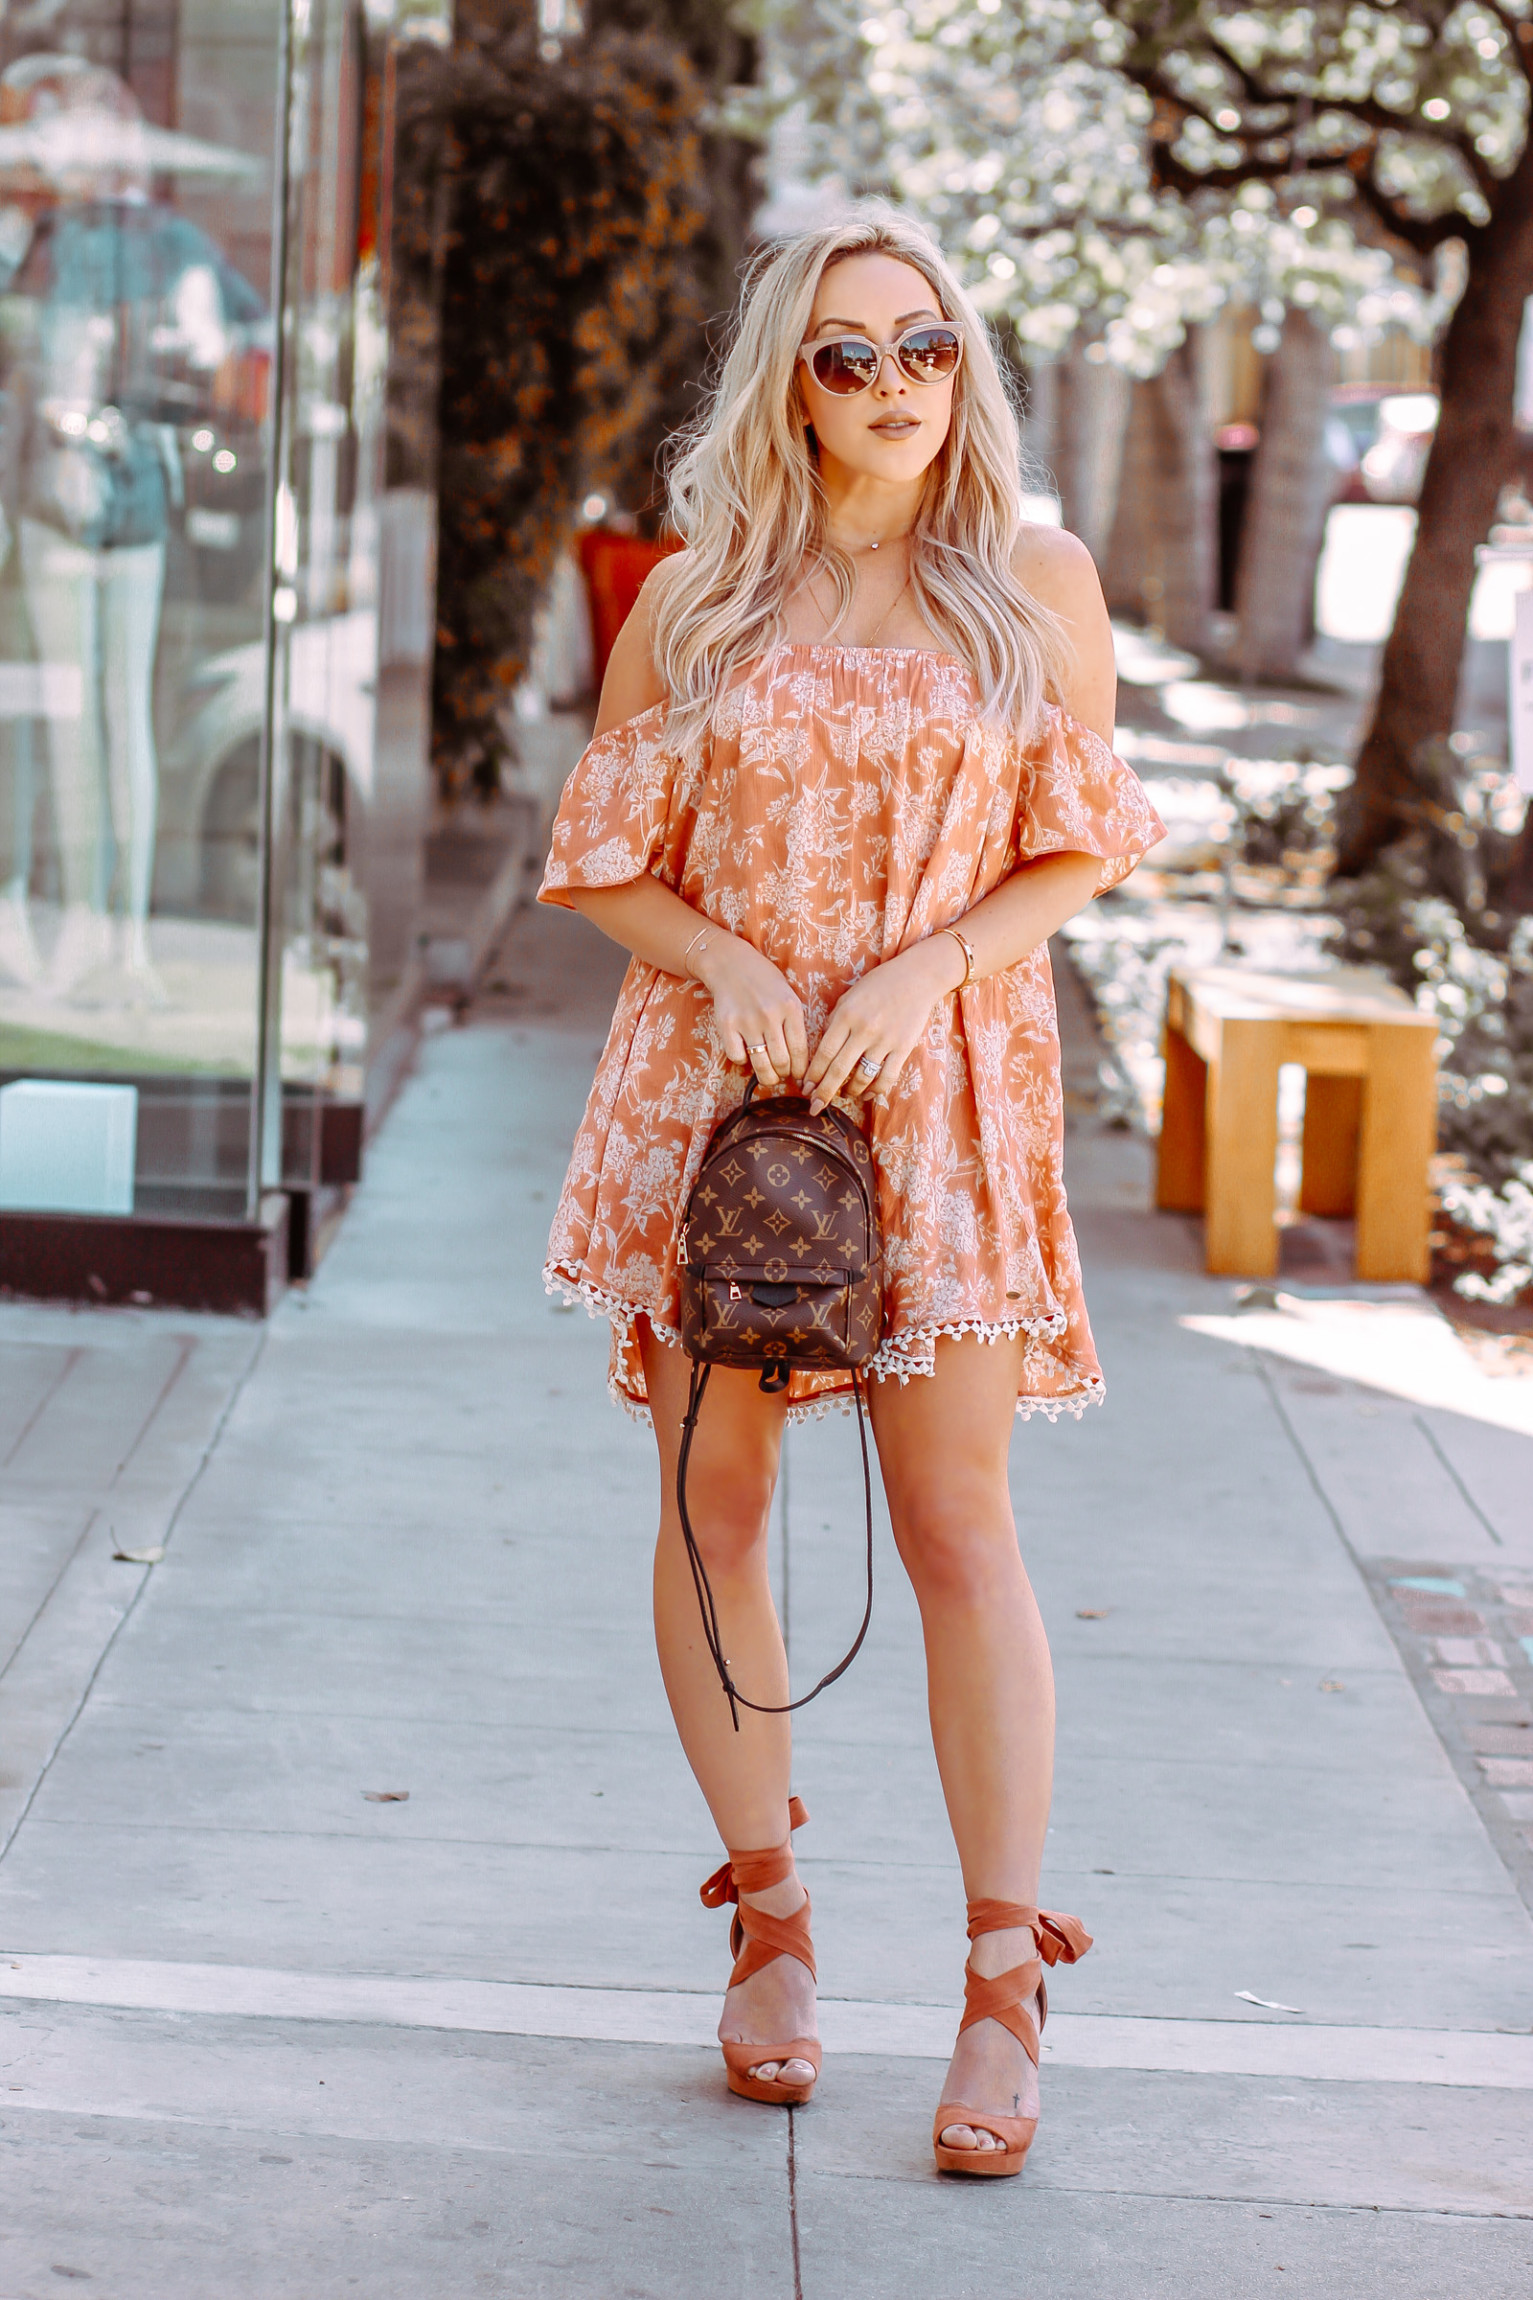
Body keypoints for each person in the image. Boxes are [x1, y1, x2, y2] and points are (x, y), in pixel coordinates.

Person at [538, 207, 1164, 2176]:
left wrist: (924, 969)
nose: (891, 384)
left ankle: (998, 1976)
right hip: (724, 1112)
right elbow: (598, 850)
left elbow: (1083, 843)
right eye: (841, 354)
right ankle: (772, 1918)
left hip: (945, 1098)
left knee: (954, 1522)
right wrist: (723, 964)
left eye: (920, 345)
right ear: (782, 388)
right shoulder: (703, 593)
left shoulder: (1027, 579)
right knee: (714, 1498)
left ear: (961, 362)